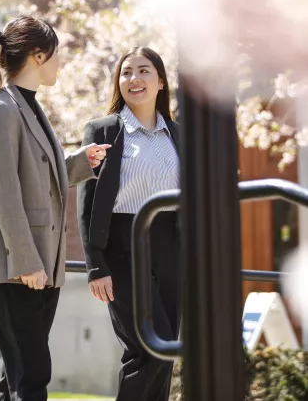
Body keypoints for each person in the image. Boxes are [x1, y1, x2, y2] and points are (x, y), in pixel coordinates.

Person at [0, 15, 110, 401]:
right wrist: (26, 261)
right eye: (56, 55)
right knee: (32, 376)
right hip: (20, 268)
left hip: (43, 264)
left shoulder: (27, 106)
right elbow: (5, 195)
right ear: (38, 55)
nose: (60, 63)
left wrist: (79, 162)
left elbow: (38, 174)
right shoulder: (2, 111)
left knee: (18, 378)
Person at [77, 46, 181, 401]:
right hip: (122, 248)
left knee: (167, 351)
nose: (133, 79)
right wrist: (95, 265)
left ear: (161, 82)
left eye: (143, 70)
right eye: (126, 72)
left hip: (170, 248)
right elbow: (87, 204)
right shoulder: (104, 130)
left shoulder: (178, 135)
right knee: (149, 350)